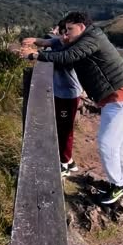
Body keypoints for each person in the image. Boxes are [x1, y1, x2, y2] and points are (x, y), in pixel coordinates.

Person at [21, 11, 123, 205]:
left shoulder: (91, 39)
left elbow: (68, 55)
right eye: (65, 29)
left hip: (120, 96)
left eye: (69, 29)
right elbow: (62, 43)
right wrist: (43, 41)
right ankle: (121, 183)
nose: (66, 34)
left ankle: (118, 185)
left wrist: (34, 55)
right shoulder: (88, 36)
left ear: (82, 27)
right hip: (122, 94)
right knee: (119, 143)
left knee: (106, 143)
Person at [22, 21, 83, 176]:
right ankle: (68, 160)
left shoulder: (70, 49)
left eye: (68, 32)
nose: (64, 36)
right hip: (61, 93)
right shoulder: (60, 41)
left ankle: (63, 164)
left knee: (65, 130)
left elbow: (53, 57)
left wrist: (32, 54)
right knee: (61, 127)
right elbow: (45, 42)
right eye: (62, 32)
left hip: (69, 95)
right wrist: (33, 40)